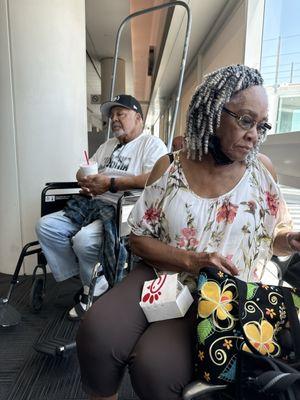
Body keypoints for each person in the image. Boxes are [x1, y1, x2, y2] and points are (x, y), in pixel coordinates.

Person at [76, 65, 300, 400]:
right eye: (245, 120)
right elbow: (137, 238)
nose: (255, 133)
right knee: (98, 331)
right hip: (163, 273)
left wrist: (290, 239)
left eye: (262, 125)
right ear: (212, 111)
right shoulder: (170, 167)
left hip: (226, 294)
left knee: (154, 366)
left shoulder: (261, 171)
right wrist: (190, 260)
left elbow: (276, 235)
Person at [35, 94, 167, 320]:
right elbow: (84, 169)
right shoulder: (108, 145)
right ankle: (93, 279)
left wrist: (112, 183)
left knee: (84, 241)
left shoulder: (151, 144)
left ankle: (90, 287)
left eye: (120, 114)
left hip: (123, 209)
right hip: (92, 203)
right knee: (46, 226)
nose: (114, 119)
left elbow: (154, 178)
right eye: (112, 115)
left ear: (138, 118)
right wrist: (85, 180)